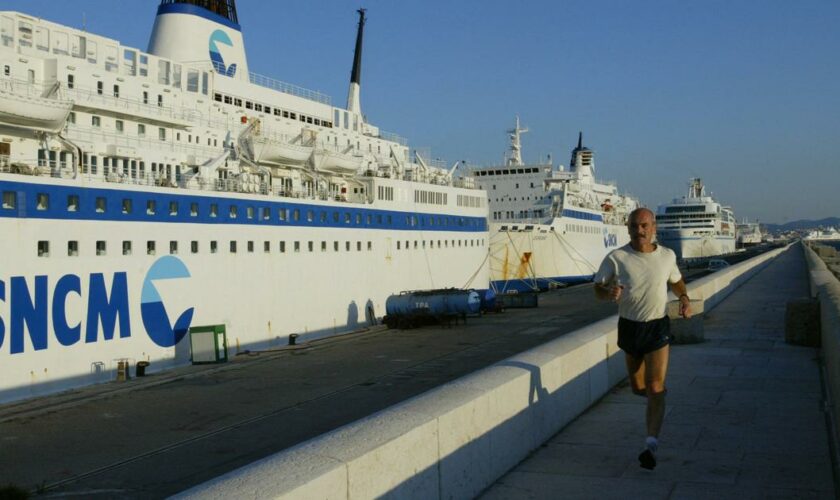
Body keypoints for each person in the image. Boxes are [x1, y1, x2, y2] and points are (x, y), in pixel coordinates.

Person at [593, 207, 691, 470]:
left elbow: (677, 282)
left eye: (645, 226)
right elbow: (597, 289)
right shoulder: (616, 258)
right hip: (629, 328)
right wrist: (608, 293)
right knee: (639, 388)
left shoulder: (667, 256)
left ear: (654, 227)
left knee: (656, 386)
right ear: (627, 228)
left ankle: (651, 445)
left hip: (658, 326)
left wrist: (683, 297)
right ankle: (656, 402)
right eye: (635, 226)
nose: (640, 231)